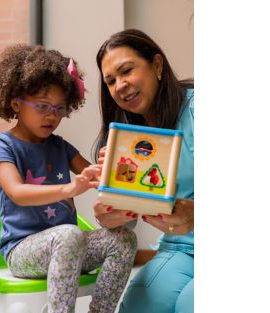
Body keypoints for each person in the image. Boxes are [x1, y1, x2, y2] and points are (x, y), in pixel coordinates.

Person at [0, 44, 137, 313]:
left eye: (59, 108)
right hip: (23, 251)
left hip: (70, 244)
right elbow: (16, 192)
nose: (51, 116)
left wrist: (112, 164)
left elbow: (96, 176)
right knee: (69, 235)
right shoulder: (2, 145)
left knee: (123, 239)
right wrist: (69, 188)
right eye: (42, 106)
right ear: (15, 103)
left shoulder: (59, 145)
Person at [92, 29, 194, 313]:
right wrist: (111, 216)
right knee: (137, 307)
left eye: (127, 71)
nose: (120, 85)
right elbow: (132, 214)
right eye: (110, 81)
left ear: (157, 65)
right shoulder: (126, 140)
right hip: (179, 248)